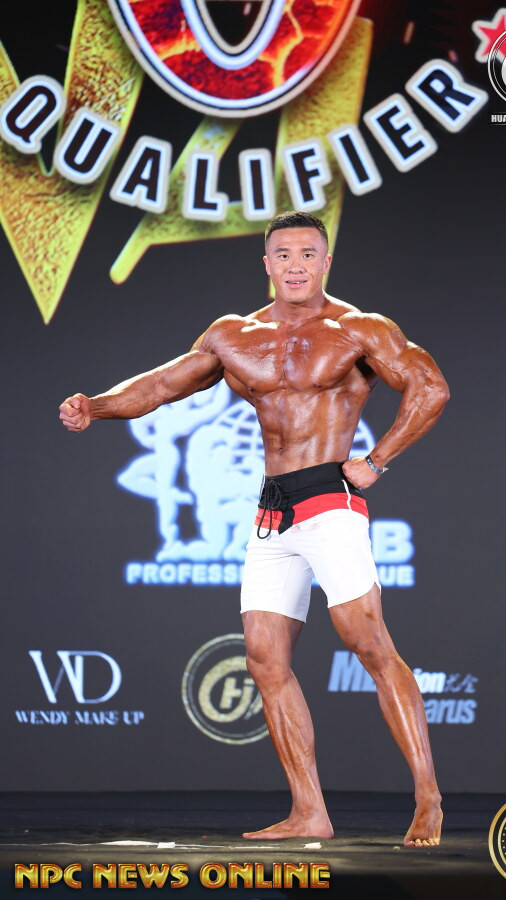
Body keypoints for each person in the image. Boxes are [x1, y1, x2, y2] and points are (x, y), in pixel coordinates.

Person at [59, 211, 450, 846]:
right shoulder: (233, 335)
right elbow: (162, 386)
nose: (296, 264)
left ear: (326, 262)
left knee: (369, 644)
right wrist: (96, 406)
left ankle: (427, 796)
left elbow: (430, 388)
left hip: (331, 499)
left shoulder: (360, 328)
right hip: (272, 513)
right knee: (266, 660)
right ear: (267, 264)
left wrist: (377, 460)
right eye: (284, 254)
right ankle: (310, 811)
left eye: (308, 254)